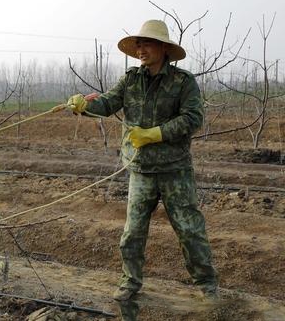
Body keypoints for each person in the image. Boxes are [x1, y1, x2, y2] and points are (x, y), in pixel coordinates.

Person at [68, 19, 218, 302]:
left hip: (175, 170)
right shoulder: (131, 79)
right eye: (138, 44)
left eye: (146, 43)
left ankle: (207, 285)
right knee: (133, 233)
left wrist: (156, 133)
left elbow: (193, 118)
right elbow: (108, 103)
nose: (140, 49)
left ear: (163, 48)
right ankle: (130, 282)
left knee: (189, 230)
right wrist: (84, 107)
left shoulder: (183, 82)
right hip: (141, 171)